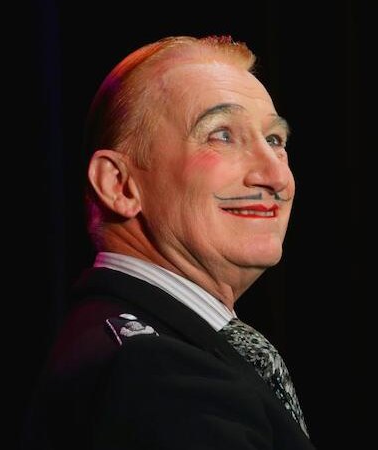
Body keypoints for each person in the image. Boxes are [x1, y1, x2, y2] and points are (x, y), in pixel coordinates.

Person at [23, 35, 314, 450]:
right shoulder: (152, 371)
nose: (275, 176)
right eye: (221, 135)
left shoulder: (149, 347)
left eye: (274, 141)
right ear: (119, 184)